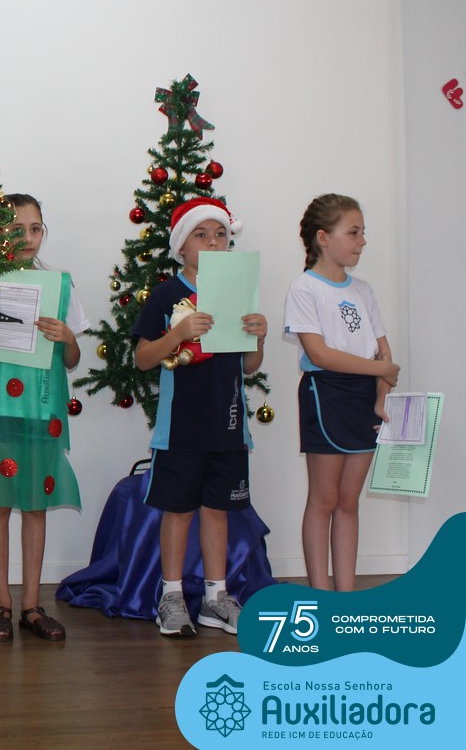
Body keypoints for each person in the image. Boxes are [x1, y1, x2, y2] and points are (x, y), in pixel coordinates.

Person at [132, 196, 267, 638]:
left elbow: (249, 366)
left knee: (217, 511)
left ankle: (215, 598)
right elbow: (143, 359)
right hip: (181, 429)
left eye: (221, 234)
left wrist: (258, 337)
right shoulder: (166, 294)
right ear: (181, 246)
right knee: (178, 511)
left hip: (228, 425)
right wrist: (178, 333)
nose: (212, 242)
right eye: (201, 234)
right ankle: (171, 596)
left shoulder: (236, 293)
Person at [0, 194, 87, 642]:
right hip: (0, 407)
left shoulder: (59, 285)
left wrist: (67, 337)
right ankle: (1, 603)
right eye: (17, 229)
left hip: (43, 408)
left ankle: (32, 605)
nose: (28, 237)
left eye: (35, 228)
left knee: (36, 503)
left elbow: (72, 359)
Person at [284, 194, 397, 592]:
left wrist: (381, 395)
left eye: (363, 232)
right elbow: (320, 354)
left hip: (364, 397)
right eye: (353, 232)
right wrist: (381, 369)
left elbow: (383, 351)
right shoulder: (304, 288)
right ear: (323, 237)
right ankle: (321, 595)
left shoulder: (364, 290)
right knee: (324, 499)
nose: (362, 241)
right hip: (326, 394)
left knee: (349, 501)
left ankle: (346, 596)